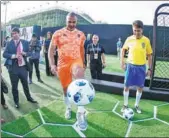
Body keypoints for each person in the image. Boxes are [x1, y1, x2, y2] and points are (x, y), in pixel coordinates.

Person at [48, 12, 87, 131]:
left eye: (74, 22)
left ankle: (80, 113)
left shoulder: (81, 34)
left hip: (76, 61)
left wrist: (84, 62)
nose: (71, 24)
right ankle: (68, 107)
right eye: (69, 21)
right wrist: (52, 64)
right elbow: (51, 50)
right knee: (66, 90)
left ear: (76, 22)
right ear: (66, 21)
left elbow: (82, 49)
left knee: (80, 82)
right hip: (62, 64)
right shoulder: (57, 33)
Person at [120, 20, 153, 114]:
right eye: (135, 30)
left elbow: (150, 55)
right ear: (132, 29)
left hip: (141, 67)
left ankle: (136, 105)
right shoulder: (129, 39)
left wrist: (150, 68)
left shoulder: (146, 40)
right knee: (126, 86)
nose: (136, 32)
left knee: (140, 87)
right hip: (130, 66)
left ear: (142, 30)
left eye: (138, 30)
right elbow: (123, 50)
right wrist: (122, 62)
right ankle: (125, 104)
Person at [3, 27, 37, 108]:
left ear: (19, 33)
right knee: (14, 87)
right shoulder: (9, 43)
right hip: (13, 68)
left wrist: (25, 53)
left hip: (23, 68)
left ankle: (29, 98)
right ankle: (16, 102)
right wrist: (14, 56)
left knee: (25, 84)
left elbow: (30, 53)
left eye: (15, 33)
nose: (14, 35)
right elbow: (4, 54)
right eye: (13, 33)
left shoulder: (25, 42)